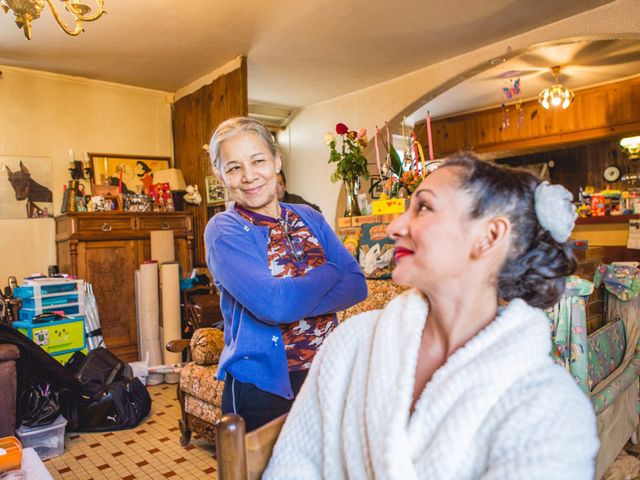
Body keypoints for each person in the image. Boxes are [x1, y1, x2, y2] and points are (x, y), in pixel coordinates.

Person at [265, 153, 599, 478]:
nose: (395, 226)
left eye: (423, 207)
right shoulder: (353, 342)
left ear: (489, 236)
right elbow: (295, 459)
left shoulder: (551, 408)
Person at [204, 117, 367, 432]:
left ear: (276, 160)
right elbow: (274, 306)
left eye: (258, 161)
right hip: (264, 388)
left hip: (325, 373)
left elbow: (357, 286)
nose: (249, 177)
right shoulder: (224, 230)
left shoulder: (309, 216)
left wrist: (290, 297)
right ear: (220, 174)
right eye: (234, 167)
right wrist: (331, 271)